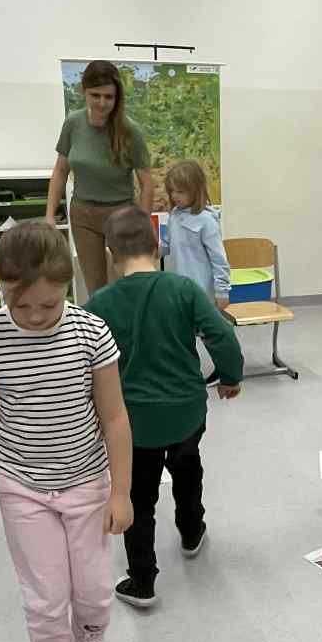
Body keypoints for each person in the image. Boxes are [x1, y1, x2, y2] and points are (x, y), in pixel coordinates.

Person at [0, 220, 134, 642]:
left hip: (87, 482)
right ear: (2, 287)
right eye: (22, 304)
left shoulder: (90, 333)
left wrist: (121, 492)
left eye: (48, 305)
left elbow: (115, 417)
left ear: (67, 288)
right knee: (46, 595)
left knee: (95, 589)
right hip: (22, 486)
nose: (35, 317)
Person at [85, 205, 245, 610]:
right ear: (157, 246)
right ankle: (192, 532)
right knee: (188, 469)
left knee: (138, 497)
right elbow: (221, 335)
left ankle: (142, 581)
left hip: (133, 424)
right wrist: (230, 376)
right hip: (187, 412)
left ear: (110, 253)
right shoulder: (183, 289)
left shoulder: (99, 304)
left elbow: (81, 362)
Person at [46, 59, 155, 298]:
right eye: (95, 95)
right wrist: (50, 215)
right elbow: (61, 170)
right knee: (96, 290)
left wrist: (142, 223)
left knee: (124, 287)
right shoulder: (73, 123)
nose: (102, 103)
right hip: (83, 214)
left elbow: (147, 183)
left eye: (109, 97)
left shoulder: (130, 131)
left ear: (117, 97)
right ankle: (100, 324)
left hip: (121, 215)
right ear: (83, 91)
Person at [161, 159, 230, 310]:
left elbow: (219, 259)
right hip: (178, 289)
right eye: (171, 191)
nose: (174, 196)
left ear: (195, 190)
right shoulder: (174, 215)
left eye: (180, 192)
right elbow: (167, 245)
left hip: (202, 293)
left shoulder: (206, 220)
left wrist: (222, 291)